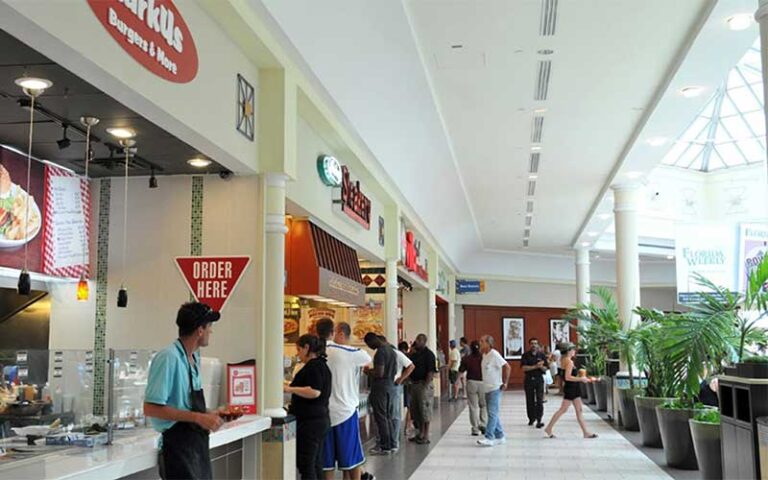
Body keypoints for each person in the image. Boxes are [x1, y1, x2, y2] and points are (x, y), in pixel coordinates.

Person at [144, 302, 224, 480]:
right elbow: (151, 408)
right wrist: (199, 417)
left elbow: (185, 404)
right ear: (200, 330)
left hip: (196, 447)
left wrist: (210, 413)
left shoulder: (194, 357)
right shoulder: (168, 357)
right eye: (209, 326)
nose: (212, 331)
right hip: (177, 450)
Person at [319, 319, 370, 480]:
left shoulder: (316, 350)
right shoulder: (349, 352)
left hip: (324, 413)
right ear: (338, 333)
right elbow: (367, 358)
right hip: (345, 412)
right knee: (352, 459)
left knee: (326, 462)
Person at [285, 334, 333, 479]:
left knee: (307, 464)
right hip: (319, 420)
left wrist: (289, 389)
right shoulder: (321, 365)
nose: (297, 353)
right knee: (315, 462)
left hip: (311, 423)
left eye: (298, 349)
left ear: (307, 348)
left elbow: (314, 391)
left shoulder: (314, 367)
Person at [544, 344, 597, 439]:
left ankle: (585, 432)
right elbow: (567, 377)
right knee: (563, 410)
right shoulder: (569, 362)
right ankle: (549, 428)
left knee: (578, 410)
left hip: (572, 387)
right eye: (573, 350)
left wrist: (582, 378)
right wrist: (581, 379)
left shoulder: (563, 360)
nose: (574, 352)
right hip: (571, 388)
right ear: (569, 351)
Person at [363, 332, 399, 455]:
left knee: (381, 418)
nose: (370, 347)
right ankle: (392, 444)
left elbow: (379, 373)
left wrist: (368, 372)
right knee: (388, 416)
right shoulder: (391, 350)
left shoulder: (380, 352)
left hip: (380, 388)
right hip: (390, 386)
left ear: (373, 340)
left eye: (369, 344)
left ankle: (385, 446)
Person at [477, 335, 510, 447]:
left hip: (495, 388)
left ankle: (489, 437)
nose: (480, 343)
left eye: (482, 341)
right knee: (493, 413)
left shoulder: (494, 354)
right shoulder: (484, 355)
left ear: (488, 343)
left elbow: (507, 367)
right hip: (487, 388)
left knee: (492, 414)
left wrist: (505, 382)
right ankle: (500, 436)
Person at [408, 333, 437, 444]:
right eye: (417, 339)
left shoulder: (429, 355)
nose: (418, 342)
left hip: (423, 385)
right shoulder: (415, 354)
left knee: (425, 410)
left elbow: (430, 371)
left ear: (424, 342)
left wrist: (425, 385)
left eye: (420, 340)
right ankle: (419, 433)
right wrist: (411, 352)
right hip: (414, 384)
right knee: (416, 411)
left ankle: (425, 435)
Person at [388, 336, 414, 451]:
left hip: (400, 385)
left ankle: (398, 436)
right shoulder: (404, 355)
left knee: (397, 411)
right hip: (403, 384)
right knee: (405, 407)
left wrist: (400, 379)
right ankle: (406, 427)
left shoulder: (398, 355)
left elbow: (411, 367)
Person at [459, 340, 486, 436]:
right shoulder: (484, 357)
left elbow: (461, 370)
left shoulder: (466, 358)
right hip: (483, 382)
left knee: (473, 407)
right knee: (484, 405)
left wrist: (458, 381)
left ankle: (475, 428)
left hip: (471, 382)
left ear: (470, 348)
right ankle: (483, 424)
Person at [521, 338, 547, 428]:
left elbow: (546, 368)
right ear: (529, 345)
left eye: (535, 343)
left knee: (540, 400)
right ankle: (531, 418)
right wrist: (536, 366)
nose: (534, 345)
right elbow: (524, 368)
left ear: (537, 345)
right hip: (529, 380)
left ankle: (539, 419)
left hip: (539, 379)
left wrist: (541, 367)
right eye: (532, 343)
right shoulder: (525, 355)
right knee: (530, 400)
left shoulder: (542, 355)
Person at [397, 341, 415, 436]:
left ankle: (403, 427)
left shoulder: (396, 355)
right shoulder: (408, 357)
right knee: (409, 406)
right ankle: (407, 426)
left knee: (400, 405)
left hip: (399, 384)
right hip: (408, 383)